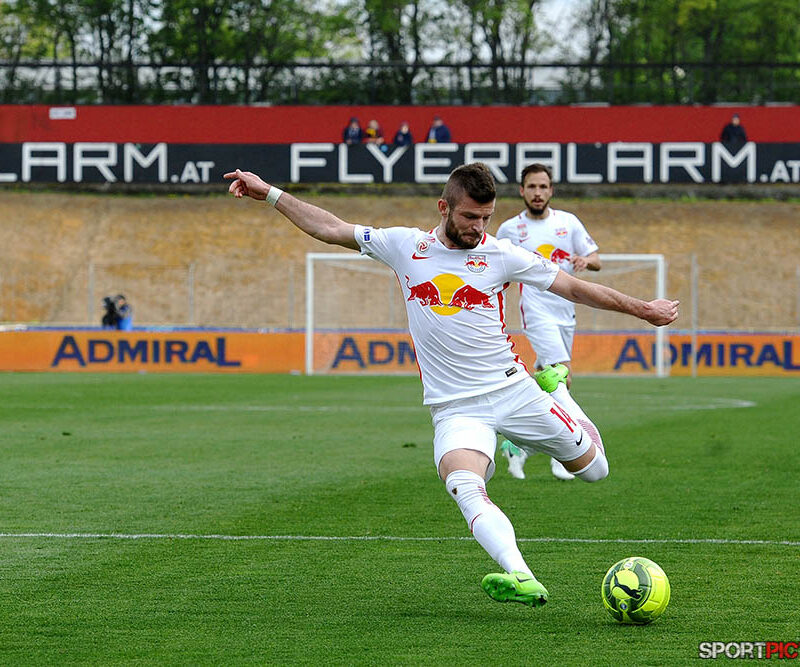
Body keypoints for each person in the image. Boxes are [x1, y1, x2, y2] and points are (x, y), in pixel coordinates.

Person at [224, 163, 678, 609]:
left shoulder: (500, 254)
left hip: (514, 391)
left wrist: (644, 310)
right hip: (455, 407)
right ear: (444, 207)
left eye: (486, 217)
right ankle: (521, 574)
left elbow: (574, 288)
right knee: (463, 483)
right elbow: (331, 227)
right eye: (469, 217)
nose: (479, 227)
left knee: (595, 470)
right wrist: (268, 193)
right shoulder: (406, 246)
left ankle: (559, 392)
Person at [495, 163, 601, 482]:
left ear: (551, 190)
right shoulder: (510, 230)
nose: (538, 193)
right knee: (561, 378)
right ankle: (566, 454)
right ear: (522, 191)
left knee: (547, 382)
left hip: (565, 310)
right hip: (536, 307)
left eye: (543, 187)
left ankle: (517, 445)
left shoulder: (568, 223)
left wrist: (586, 261)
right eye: (532, 187)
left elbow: (596, 257)